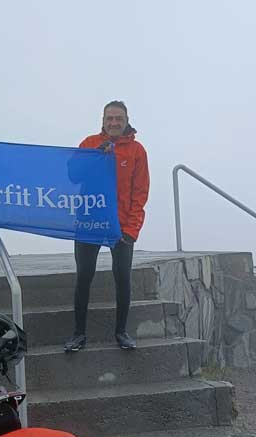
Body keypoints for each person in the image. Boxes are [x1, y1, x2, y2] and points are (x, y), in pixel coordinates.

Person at [64, 100, 150, 352]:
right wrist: (95, 156)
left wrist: (132, 230)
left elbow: (140, 193)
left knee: (122, 278)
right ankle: (79, 334)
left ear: (126, 121)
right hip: (89, 222)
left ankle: (121, 332)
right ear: (103, 121)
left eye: (118, 119)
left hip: (121, 227)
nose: (114, 123)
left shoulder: (137, 151)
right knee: (84, 276)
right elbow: (73, 175)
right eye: (109, 118)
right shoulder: (89, 143)